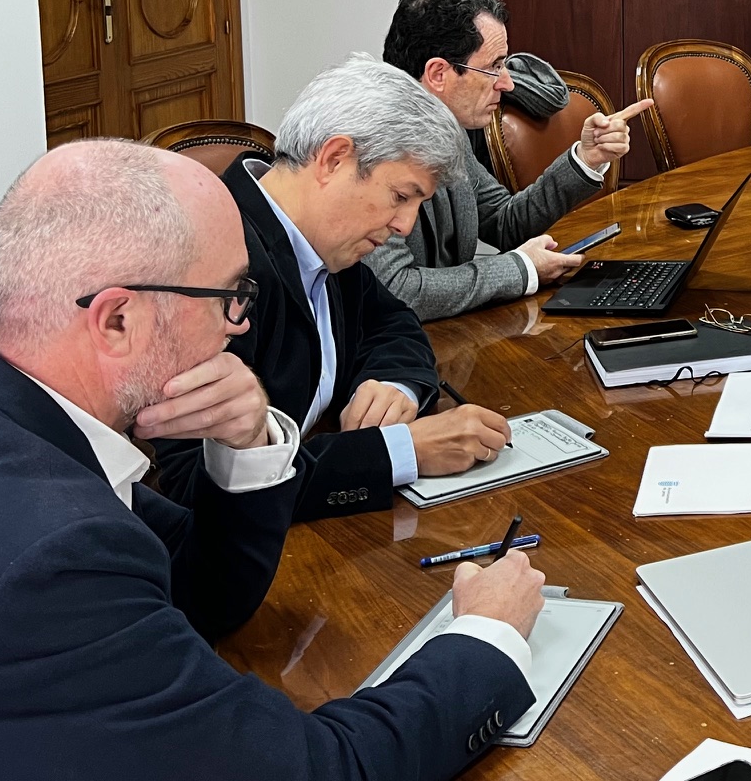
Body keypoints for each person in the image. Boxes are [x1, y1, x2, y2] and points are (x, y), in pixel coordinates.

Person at [0, 139, 544, 781]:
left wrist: (249, 447)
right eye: (231, 297)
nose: (241, 327)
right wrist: (485, 638)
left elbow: (201, 597)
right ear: (118, 320)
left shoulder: (9, 430)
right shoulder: (48, 561)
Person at [153, 55, 513, 521]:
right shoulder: (211, 271)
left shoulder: (322, 239)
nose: (405, 226)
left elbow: (393, 320)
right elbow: (195, 484)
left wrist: (394, 384)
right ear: (334, 159)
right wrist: (396, 454)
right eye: (400, 197)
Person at [368, 0, 650, 320]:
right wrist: (520, 270)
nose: (508, 83)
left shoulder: (446, 130)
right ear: (438, 73)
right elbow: (398, 290)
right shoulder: (371, 146)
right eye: (493, 67)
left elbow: (504, 222)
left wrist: (587, 158)